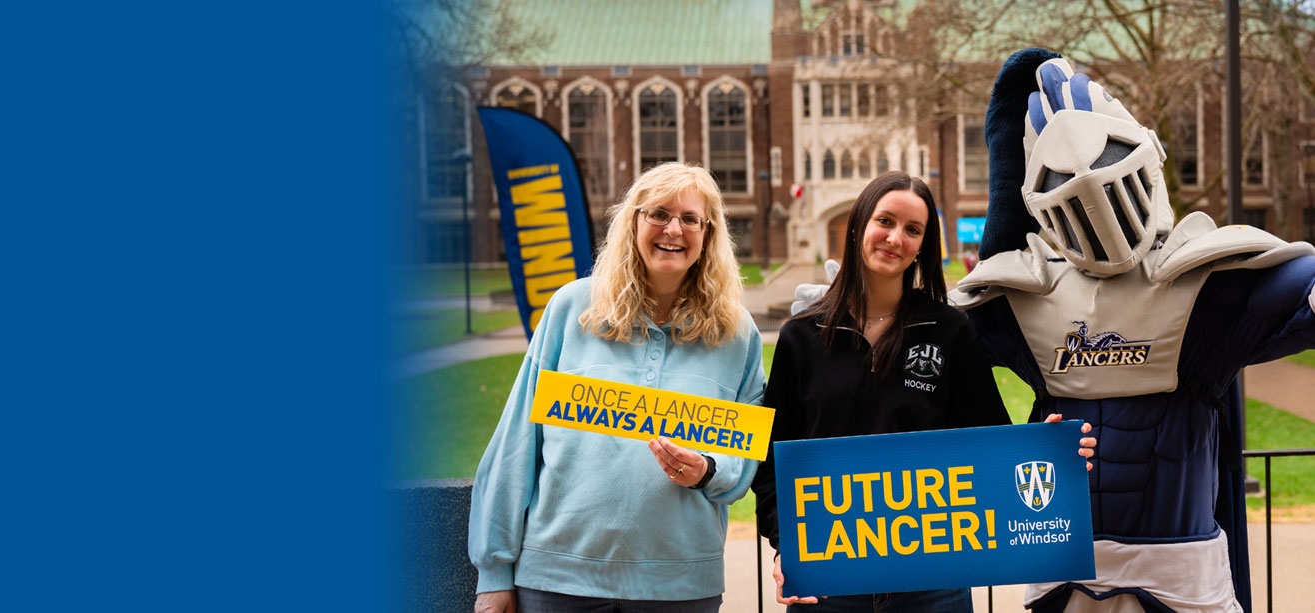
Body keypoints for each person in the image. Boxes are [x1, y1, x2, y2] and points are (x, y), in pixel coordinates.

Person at [949, 49, 1315, 612]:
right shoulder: (1020, 296)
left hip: (1170, 573)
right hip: (1071, 568)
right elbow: (919, 349)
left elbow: (1296, 297)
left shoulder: (1204, 282)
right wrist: (850, 311)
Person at [756, 171, 1096, 612]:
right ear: (859, 224)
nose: (895, 238)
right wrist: (788, 548)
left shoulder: (949, 331)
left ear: (922, 246)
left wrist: (1044, 447)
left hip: (933, 583)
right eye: (886, 221)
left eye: (912, 230)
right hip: (828, 580)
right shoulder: (802, 336)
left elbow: (989, 441)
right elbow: (770, 460)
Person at [469, 161, 767, 613]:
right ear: (634, 222)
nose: (674, 229)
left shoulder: (737, 333)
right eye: (659, 214)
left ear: (708, 235)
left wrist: (707, 469)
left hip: (681, 586)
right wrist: (493, 573)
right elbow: (516, 445)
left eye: (691, 219)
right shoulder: (572, 308)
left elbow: (743, 460)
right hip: (556, 582)